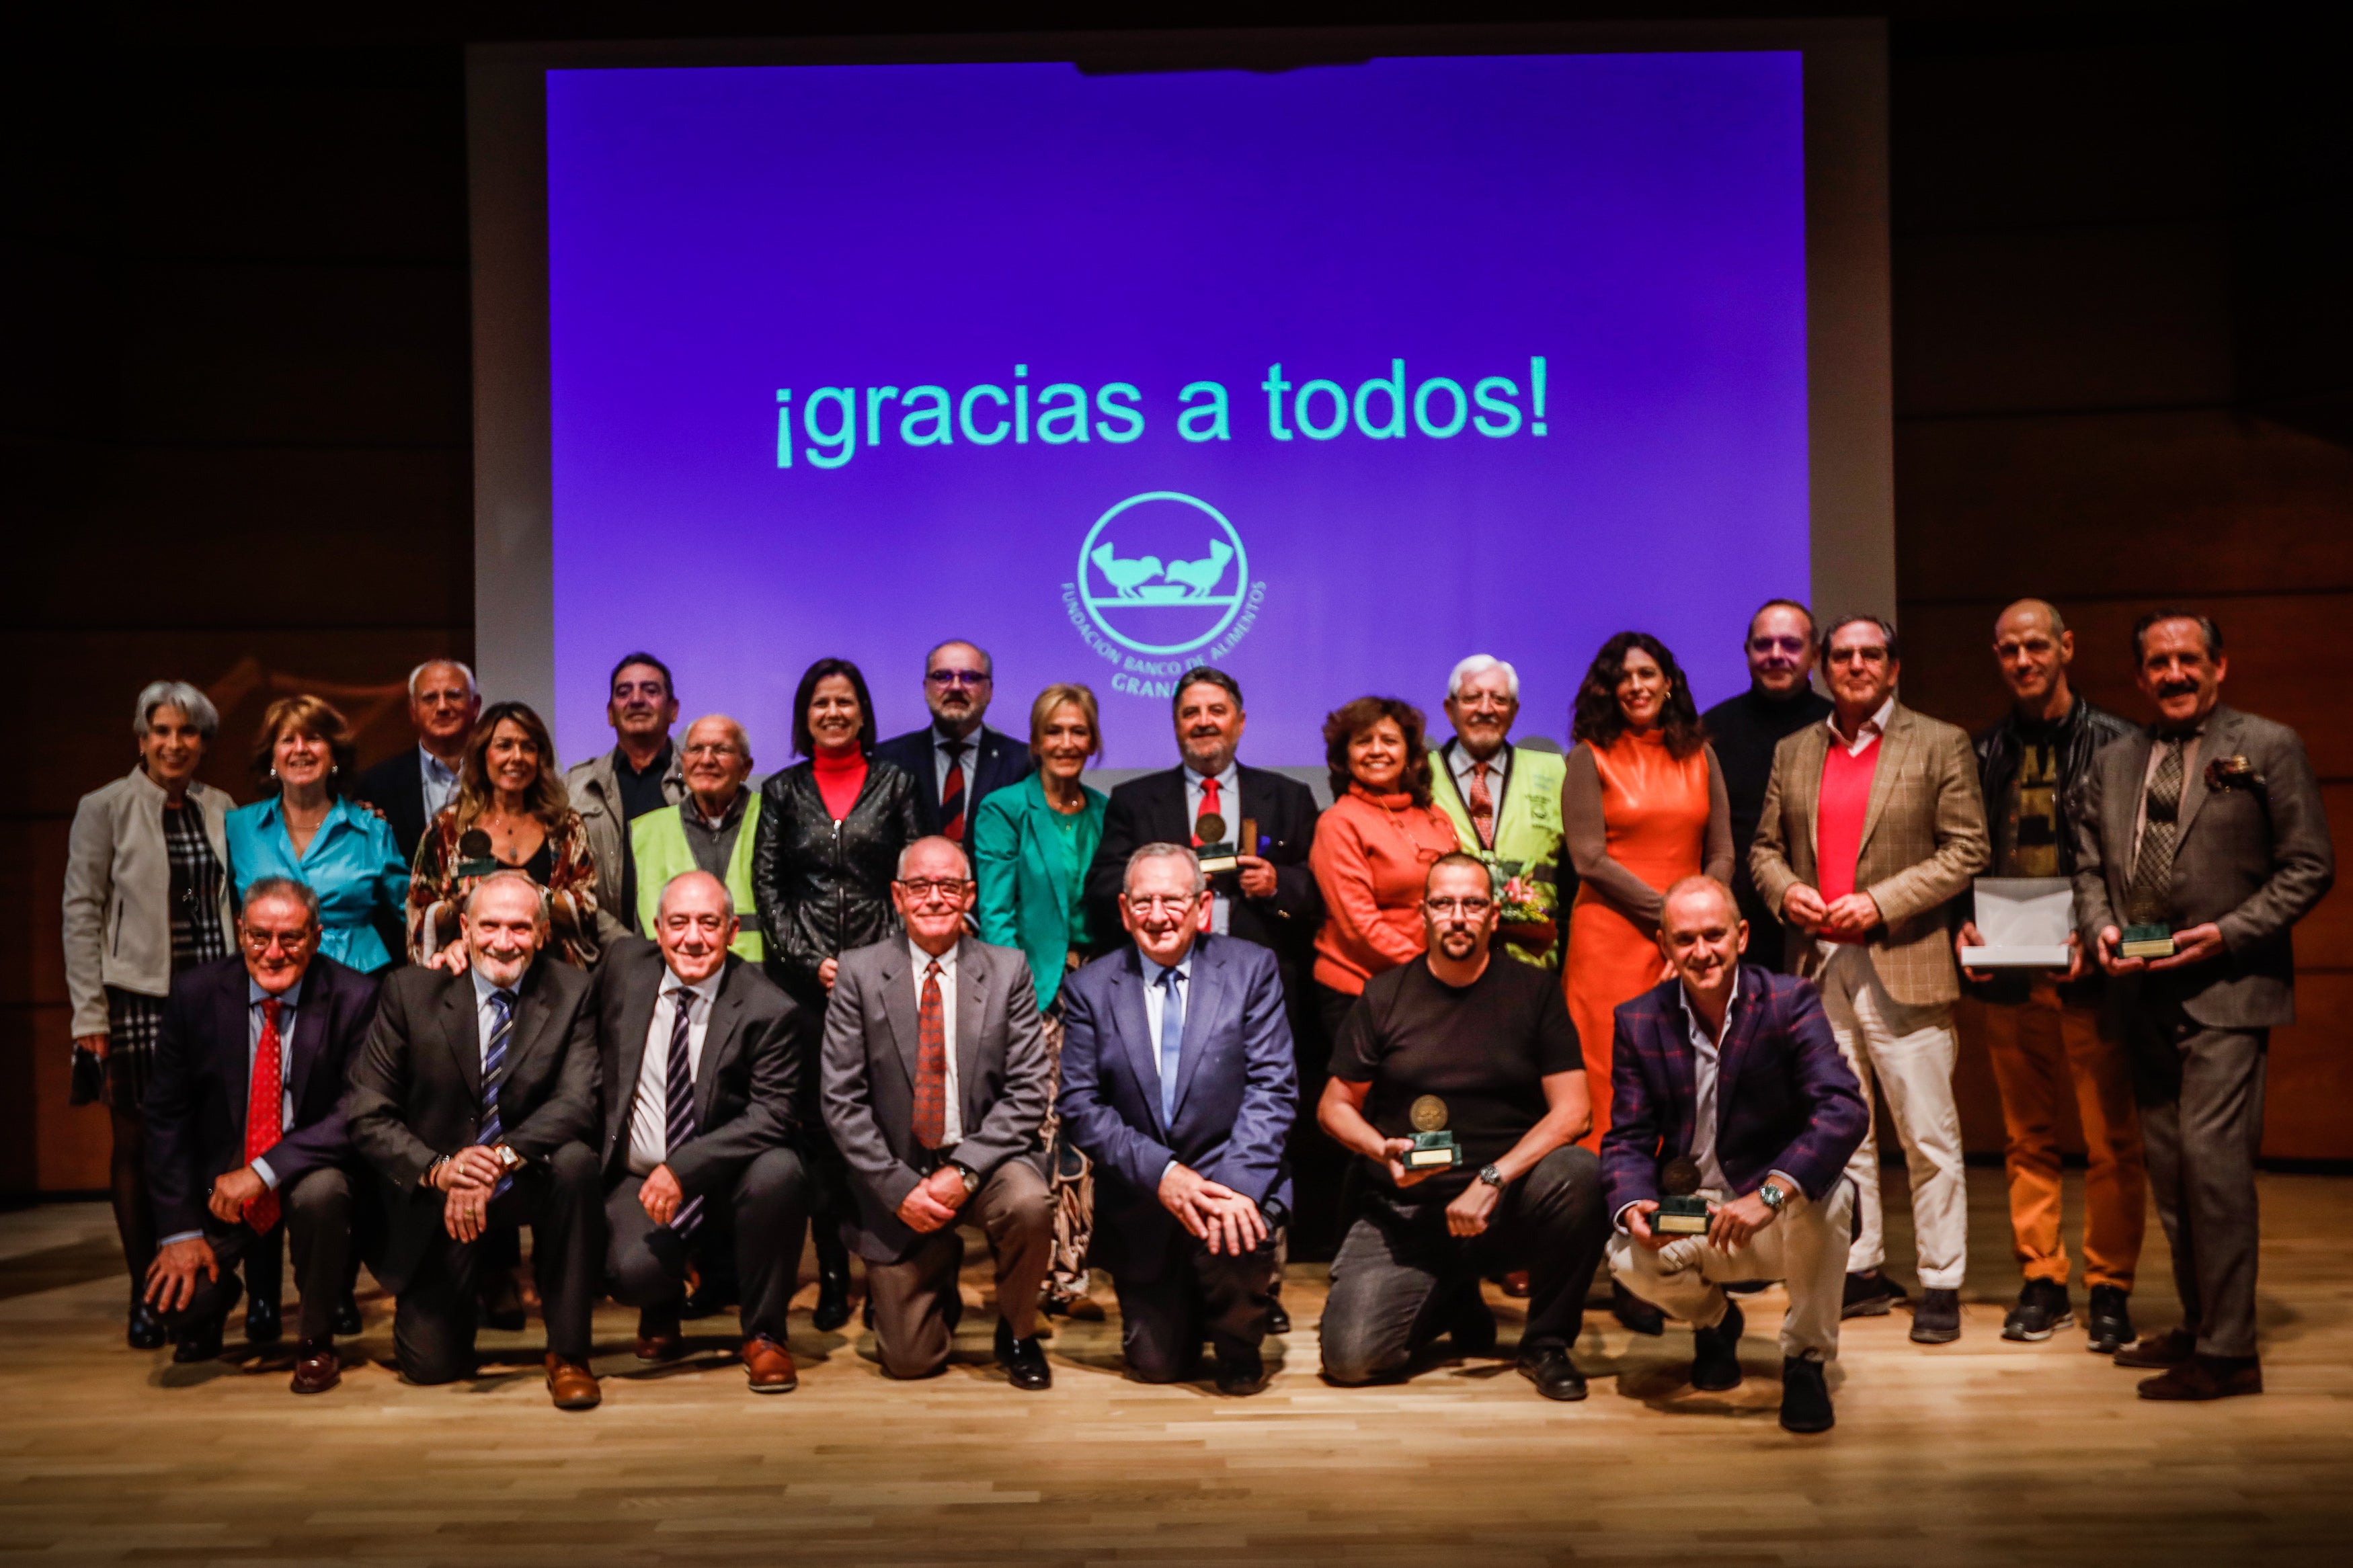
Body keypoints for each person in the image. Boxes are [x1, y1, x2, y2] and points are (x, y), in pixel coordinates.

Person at [2074, 610, 2333, 1400]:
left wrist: (2224, 933)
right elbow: (2088, 866)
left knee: (2215, 1172)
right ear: (2138, 676)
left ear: (2219, 666)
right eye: (2157, 663)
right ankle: (2198, 1322)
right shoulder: (2114, 760)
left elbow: (2307, 866)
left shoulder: (2268, 744)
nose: (2174, 673)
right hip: (2138, 992)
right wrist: (2101, 927)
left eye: (2188, 659)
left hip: (2227, 990)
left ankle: (2229, 1353)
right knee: (2171, 1172)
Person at [1750, 614, 1989, 1342]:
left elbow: (1966, 847)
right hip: (1816, 963)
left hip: (1903, 955)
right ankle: (1860, 1267)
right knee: (1840, 1130)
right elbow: (1763, 846)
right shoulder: (1794, 749)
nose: (1855, 665)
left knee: (1927, 1134)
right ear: (1823, 666)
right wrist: (1783, 889)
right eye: (1842, 654)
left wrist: (1879, 902)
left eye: (1870, 654)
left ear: (1893, 668)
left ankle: (1940, 1279)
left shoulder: (1937, 741)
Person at [1316, 853, 1607, 1401]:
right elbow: (1333, 1106)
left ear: (1493, 915)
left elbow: (1575, 1111)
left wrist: (1493, 1179)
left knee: (1580, 1171)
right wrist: (1383, 1151)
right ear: (1422, 913)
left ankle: (1545, 1344)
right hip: (1408, 1214)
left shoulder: (1534, 991)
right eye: (1444, 903)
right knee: (1351, 1359)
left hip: (1505, 1208)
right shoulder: (1384, 995)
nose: (1458, 916)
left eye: (1472, 903)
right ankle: (1449, 1296)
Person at [1083, 667, 1320, 1323]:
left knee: (1259, 1129)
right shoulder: (1136, 799)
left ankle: (1256, 1282)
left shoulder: (1287, 795)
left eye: (1217, 709)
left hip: (1250, 994)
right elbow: (1103, 891)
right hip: (1159, 986)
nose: (1204, 721)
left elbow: (1317, 896)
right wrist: (1168, 880)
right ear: (1175, 723)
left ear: (1240, 720)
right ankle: (1179, 1275)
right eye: (1191, 711)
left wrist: (1277, 884)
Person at [1604, 876, 1870, 1434]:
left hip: (1772, 1208)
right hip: (1693, 1210)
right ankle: (1716, 1323)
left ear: (1742, 936)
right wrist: (1633, 1206)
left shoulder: (1788, 1000)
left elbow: (1844, 1108)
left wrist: (1771, 1192)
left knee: (1832, 1193)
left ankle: (1805, 1360)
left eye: (1714, 935)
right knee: (1625, 1256)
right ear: (1665, 947)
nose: (1702, 952)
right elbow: (1627, 1138)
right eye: (1685, 939)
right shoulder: (1638, 1020)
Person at [344, 872, 606, 1408]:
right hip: (441, 1185)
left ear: (540, 932)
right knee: (431, 1366)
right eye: (489, 925)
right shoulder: (410, 992)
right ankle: (467, 1296)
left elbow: (578, 1101)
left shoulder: (573, 992)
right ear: (463, 928)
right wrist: (438, 1168)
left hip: (525, 1171)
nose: (504, 941)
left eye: (519, 927)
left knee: (576, 1164)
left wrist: (497, 1158)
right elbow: (367, 1111)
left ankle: (570, 1352)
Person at [1958, 599, 2145, 1350]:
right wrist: (1957, 926)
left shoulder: (2120, 742)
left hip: (2091, 973)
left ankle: (2109, 1286)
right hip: (2005, 974)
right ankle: (2041, 1278)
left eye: (2036, 645)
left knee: (2111, 1141)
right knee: (2024, 1137)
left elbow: (2137, 865)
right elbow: (1964, 853)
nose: (2023, 660)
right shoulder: (1980, 750)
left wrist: (2103, 937)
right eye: (2008, 650)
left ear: (2066, 646)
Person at [1057, 845, 1299, 1396]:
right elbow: (1081, 1106)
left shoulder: (1250, 969)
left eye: (1173, 899)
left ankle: (1239, 1339)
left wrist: (1232, 1189)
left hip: (1229, 1178)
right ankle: (1186, 1305)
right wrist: (1164, 1175)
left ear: (1203, 906)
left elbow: (1273, 1087)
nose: (1158, 914)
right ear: (1123, 910)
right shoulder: (1091, 988)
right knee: (1159, 1365)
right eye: (1143, 901)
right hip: (1145, 1194)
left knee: (1239, 1233)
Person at [821, 837, 1058, 1389]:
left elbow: (1028, 1090)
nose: (934, 898)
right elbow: (841, 1099)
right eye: (920, 887)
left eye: (949, 886)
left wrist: (965, 1170)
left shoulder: (1008, 970)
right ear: (898, 897)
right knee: (910, 1361)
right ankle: (933, 1275)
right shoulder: (858, 972)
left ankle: (1018, 1331)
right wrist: (898, 1185)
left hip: (986, 1161)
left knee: (1029, 1201)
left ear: (969, 894)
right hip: (898, 1167)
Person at [141, 878, 378, 1393]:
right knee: (169, 1305)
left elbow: (356, 1111)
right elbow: (164, 1117)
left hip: (308, 1167)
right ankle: (214, 1303)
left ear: (316, 937)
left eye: (291, 938)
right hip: (219, 1180)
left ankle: (315, 1340)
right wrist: (180, 1233)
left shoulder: (354, 996)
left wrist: (266, 1170)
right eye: (260, 936)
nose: (274, 953)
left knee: (324, 1192)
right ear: (239, 930)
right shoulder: (195, 992)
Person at [63, 681, 237, 1352]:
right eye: (161, 730)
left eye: (187, 732)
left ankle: (203, 1282)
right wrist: (88, 1014)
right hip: (137, 997)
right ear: (141, 739)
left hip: (214, 991)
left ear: (202, 742)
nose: (174, 743)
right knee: (137, 1145)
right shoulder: (103, 807)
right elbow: (80, 913)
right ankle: (146, 1292)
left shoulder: (219, 807)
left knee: (207, 1143)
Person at [751, 657, 923, 1330]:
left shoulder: (897, 782)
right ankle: (828, 1271)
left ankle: (887, 1268)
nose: (832, 711)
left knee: (885, 1123)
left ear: (862, 711)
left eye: (844, 701)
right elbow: (770, 890)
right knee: (820, 1134)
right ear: (805, 715)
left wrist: (872, 963)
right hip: (803, 989)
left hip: (885, 981)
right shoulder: (782, 790)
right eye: (820, 702)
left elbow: (912, 878)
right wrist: (814, 961)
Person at [597, 872, 810, 1394]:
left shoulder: (769, 1007)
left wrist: (684, 1168)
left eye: (709, 923)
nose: (693, 937)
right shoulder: (623, 968)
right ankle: (660, 1304)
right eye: (679, 922)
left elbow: (775, 1114)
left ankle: (764, 1335)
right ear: (657, 928)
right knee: (630, 1272)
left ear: (732, 929)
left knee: (782, 1170)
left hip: (724, 1179)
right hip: (637, 1173)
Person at [1562, 632, 1734, 1150]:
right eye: (1623, 677)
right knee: (1609, 1070)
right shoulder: (1589, 757)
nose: (1635, 686)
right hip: (1610, 939)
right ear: (1607, 690)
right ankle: (1611, 1199)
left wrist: (1696, 928)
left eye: (1647, 674)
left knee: (1684, 1070)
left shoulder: (1703, 756)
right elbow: (1588, 859)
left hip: (1691, 944)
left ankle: (1678, 1202)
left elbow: (1722, 853)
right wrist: (1675, 920)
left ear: (1669, 683)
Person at [972, 682, 1111, 1317]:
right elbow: (997, 914)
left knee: (1091, 1126)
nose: (1066, 743)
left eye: (1078, 731)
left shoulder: (1109, 810)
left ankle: (1076, 1270)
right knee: (1047, 1128)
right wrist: (1018, 997)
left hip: (1104, 989)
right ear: (1034, 741)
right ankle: (1048, 1270)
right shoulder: (1004, 810)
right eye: (1054, 731)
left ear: (1094, 740)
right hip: (1037, 993)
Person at [1308, 696, 1460, 1044]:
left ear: (1410, 753)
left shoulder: (1435, 817)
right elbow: (1358, 926)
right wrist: (1435, 968)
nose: (1377, 751)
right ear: (1346, 757)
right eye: (1363, 742)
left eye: (1389, 741)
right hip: (1362, 992)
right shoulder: (1338, 823)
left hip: (1434, 984)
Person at [406, 702, 600, 967]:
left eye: (528, 747)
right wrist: (455, 906)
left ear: (540, 758)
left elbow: (587, 910)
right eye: (504, 746)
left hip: (555, 980)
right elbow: (419, 913)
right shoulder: (449, 827)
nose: (517, 757)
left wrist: (536, 892)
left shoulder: (564, 825)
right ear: (482, 755)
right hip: (473, 976)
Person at [226, 695, 408, 975]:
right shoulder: (237, 827)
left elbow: (414, 909)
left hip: (357, 986)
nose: (301, 749)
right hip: (266, 976)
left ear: (334, 754)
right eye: (288, 740)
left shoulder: (372, 828)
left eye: (313, 739)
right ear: (272, 757)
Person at [1702, 601, 1834, 969]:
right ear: (1747, 653)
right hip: (1733, 920)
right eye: (1764, 645)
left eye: (1791, 645)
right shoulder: (1710, 732)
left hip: (1824, 918)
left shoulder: (1840, 727)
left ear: (1815, 655)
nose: (1776, 655)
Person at [1427, 655, 1568, 971]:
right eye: (1472, 698)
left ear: (1514, 711)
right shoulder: (1418, 775)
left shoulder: (1557, 772)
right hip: (1446, 962)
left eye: (1499, 699)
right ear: (1450, 710)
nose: (1486, 709)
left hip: (1535, 963)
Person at [566, 653, 686, 936]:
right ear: (610, 713)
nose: (636, 700)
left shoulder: (698, 783)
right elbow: (565, 880)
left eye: (651, 690)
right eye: (624, 692)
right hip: (600, 955)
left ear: (673, 710)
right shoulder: (575, 787)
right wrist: (620, 945)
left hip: (686, 948)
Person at [631, 714, 765, 961]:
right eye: (696, 749)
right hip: (677, 983)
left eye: (721, 750)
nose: (706, 760)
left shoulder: (773, 818)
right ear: (682, 763)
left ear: (746, 768)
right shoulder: (647, 831)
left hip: (765, 987)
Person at [875, 638, 1033, 845]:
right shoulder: (890, 760)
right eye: (943, 677)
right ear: (926, 688)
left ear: (989, 691)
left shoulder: (1023, 763)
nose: (956, 687)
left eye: (970, 677)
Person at [356, 659, 481, 868]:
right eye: (430, 698)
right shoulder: (376, 786)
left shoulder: (501, 777)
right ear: (413, 711)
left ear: (475, 706)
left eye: (453, 695)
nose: (442, 707)